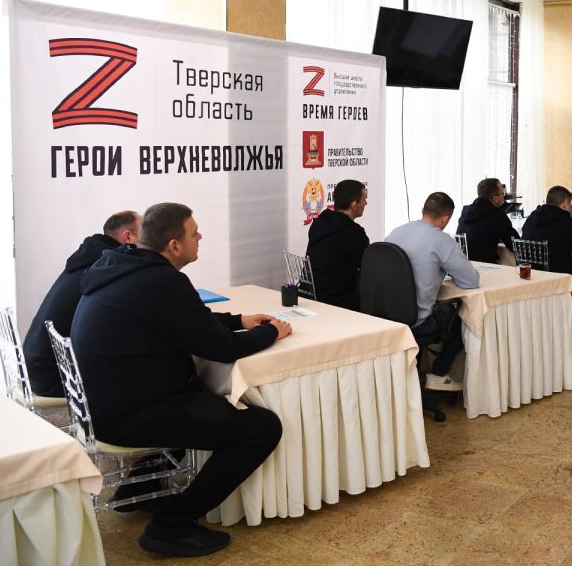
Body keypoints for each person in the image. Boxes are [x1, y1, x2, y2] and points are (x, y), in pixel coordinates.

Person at [70, 203, 291, 557]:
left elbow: (188, 320)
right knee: (261, 428)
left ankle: (141, 487)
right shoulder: (162, 281)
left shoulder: (121, 266)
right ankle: (171, 525)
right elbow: (222, 348)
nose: (200, 236)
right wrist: (271, 333)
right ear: (173, 245)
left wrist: (238, 320)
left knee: (200, 391)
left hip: (102, 407)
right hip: (130, 415)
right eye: (193, 232)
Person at [23, 210, 140, 397]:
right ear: (128, 237)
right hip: (56, 377)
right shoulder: (105, 267)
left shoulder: (86, 259)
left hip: (37, 367)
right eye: (144, 232)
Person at [385, 192, 479, 391]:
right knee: (467, 316)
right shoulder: (441, 240)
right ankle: (438, 373)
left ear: (423, 210)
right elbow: (470, 281)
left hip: (387, 316)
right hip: (418, 321)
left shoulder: (397, 232)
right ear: (445, 219)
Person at [521, 185, 572, 345]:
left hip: (530, 277)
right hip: (558, 279)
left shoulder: (530, 219)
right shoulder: (568, 223)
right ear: (564, 203)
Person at [306, 179, 369, 310]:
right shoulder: (354, 233)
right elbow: (368, 267)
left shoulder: (319, 223)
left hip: (309, 296)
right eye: (364, 199)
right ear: (354, 204)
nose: (366, 203)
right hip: (337, 303)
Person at [456, 177, 518, 264]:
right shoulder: (497, 215)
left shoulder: (465, 212)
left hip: (463, 265)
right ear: (495, 198)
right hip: (485, 267)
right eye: (502, 193)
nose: (504, 196)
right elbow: (515, 245)